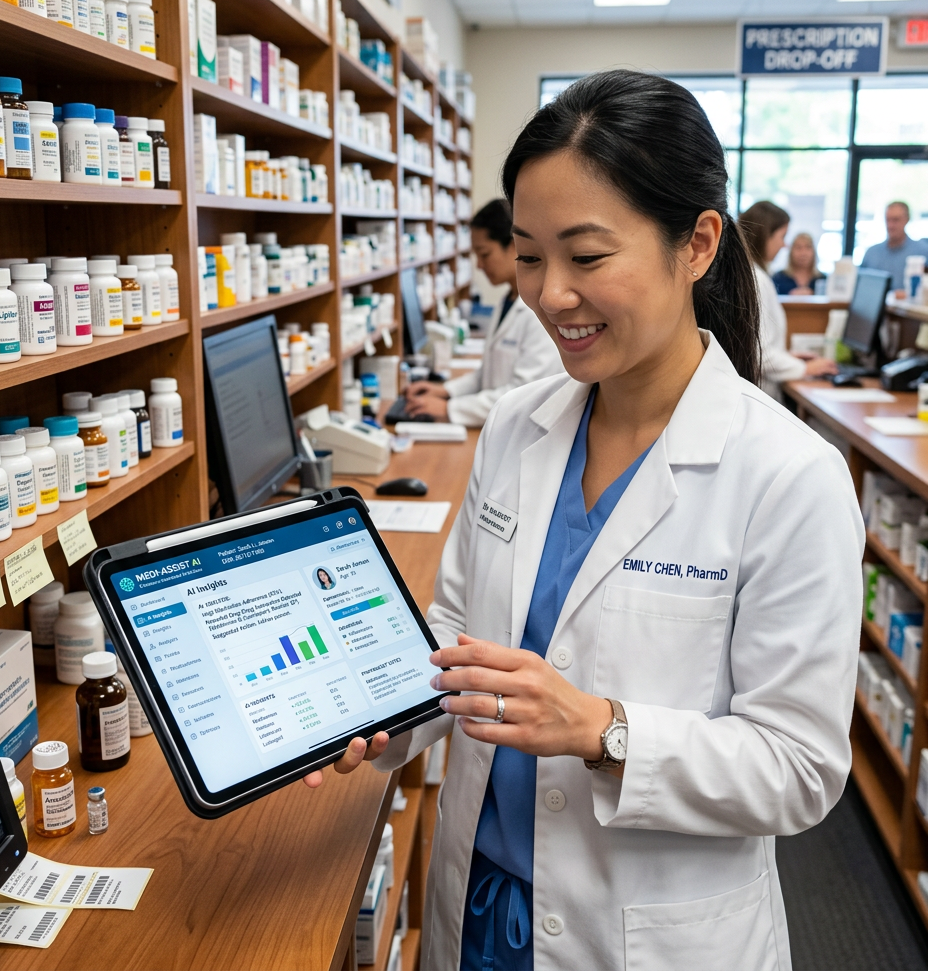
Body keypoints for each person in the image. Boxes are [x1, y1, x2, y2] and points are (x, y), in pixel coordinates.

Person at [304, 71, 864, 971]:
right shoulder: (519, 426)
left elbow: (798, 770)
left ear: (698, 245)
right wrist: (377, 711)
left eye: (587, 256)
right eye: (529, 255)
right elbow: (458, 631)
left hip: (646, 935)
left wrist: (603, 729)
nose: (550, 293)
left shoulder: (790, 477)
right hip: (481, 902)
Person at [403, 198, 564, 426]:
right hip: (500, 427)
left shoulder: (539, 310)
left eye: (484, 254)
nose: (479, 265)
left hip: (523, 433)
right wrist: (446, 391)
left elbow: (525, 393)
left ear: (515, 246)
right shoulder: (507, 300)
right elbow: (487, 375)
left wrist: (450, 409)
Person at [739, 201, 836, 400]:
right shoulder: (757, 279)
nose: (784, 245)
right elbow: (759, 355)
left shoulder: (749, 274)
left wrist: (787, 358)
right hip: (759, 394)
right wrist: (805, 368)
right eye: (782, 237)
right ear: (765, 236)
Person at [861, 201, 927, 291]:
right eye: (888, 220)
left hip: (907, 304)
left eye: (896, 220)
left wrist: (907, 294)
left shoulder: (922, 252)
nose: (890, 225)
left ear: (907, 220)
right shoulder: (871, 253)